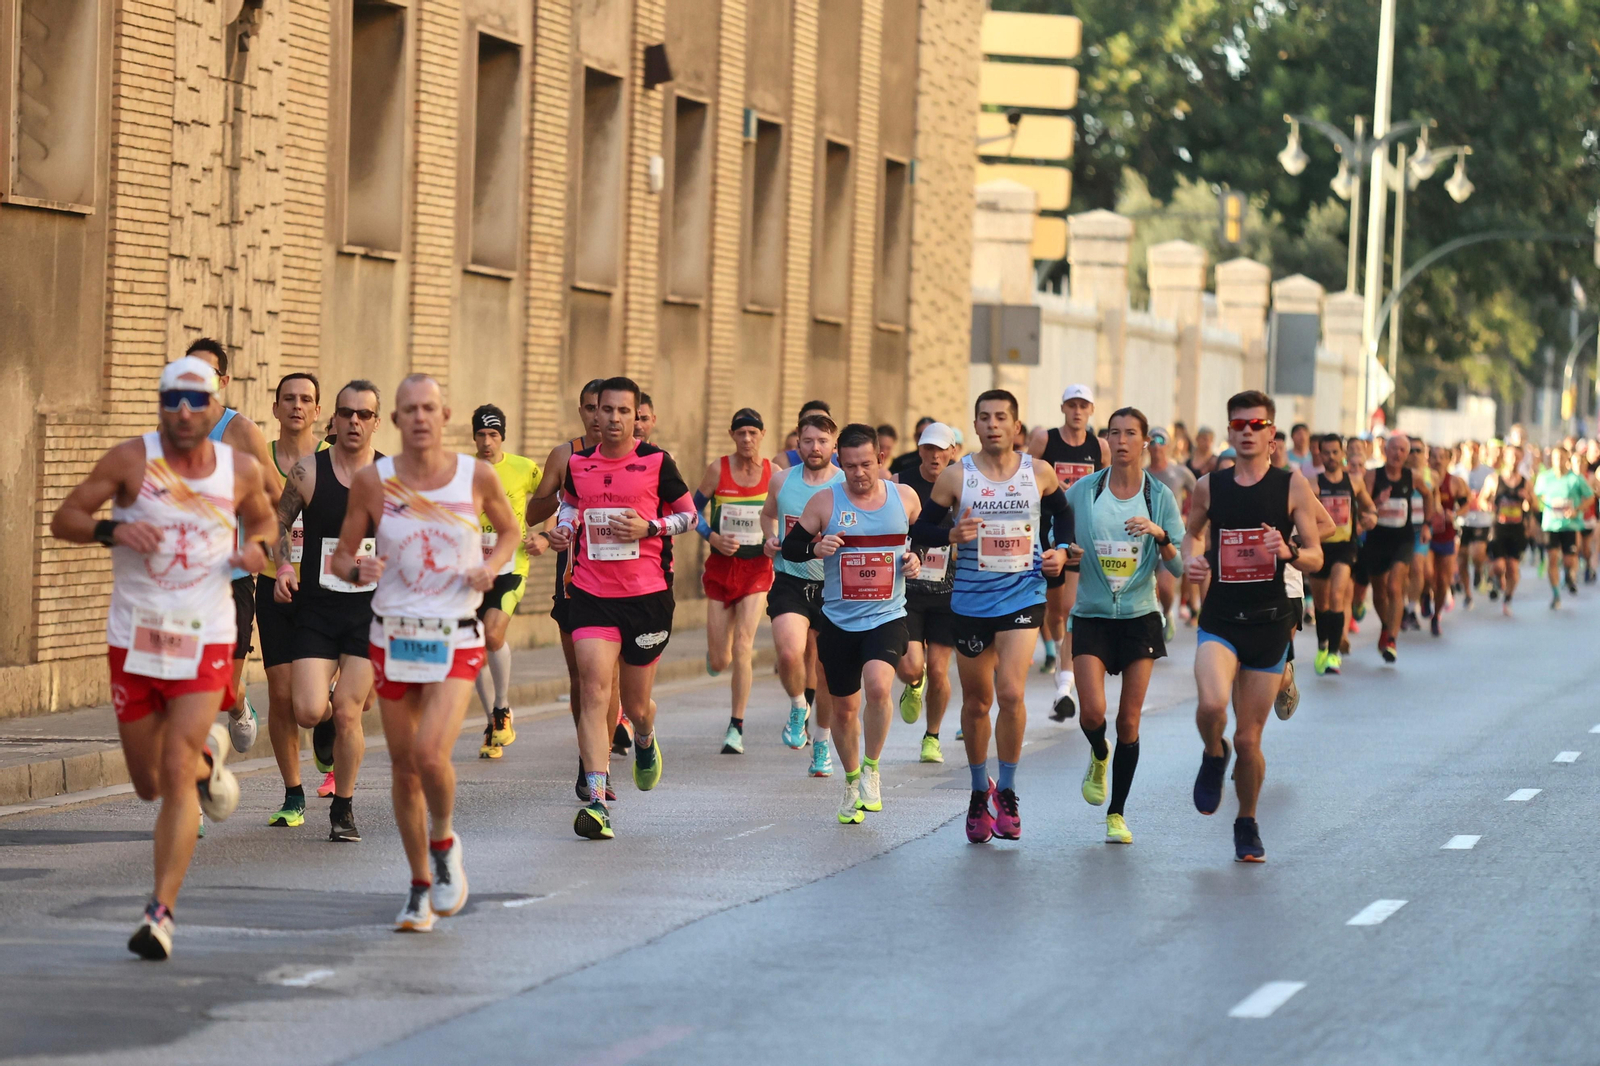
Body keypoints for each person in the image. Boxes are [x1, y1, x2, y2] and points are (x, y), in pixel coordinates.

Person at [50, 355, 274, 958]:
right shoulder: (131, 459)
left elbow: (264, 519)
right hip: (136, 637)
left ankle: (160, 914)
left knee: (171, 771)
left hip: (204, 636)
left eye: (194, 401)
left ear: (214, 407)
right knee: (149, 783)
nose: (181, 411)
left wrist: (255, 548)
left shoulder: (240, 469)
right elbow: (65, 516)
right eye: (171, 399)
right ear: (160, 403)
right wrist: (112, 531)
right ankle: (207, 762)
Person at [333, 374, 517, 931]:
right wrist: (358, 568)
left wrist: (490, 567)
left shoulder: (474, 475)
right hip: (392, 634)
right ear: (395, 420)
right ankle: (418, 886)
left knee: (432, 755)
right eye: (408, 409)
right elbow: (341, 558)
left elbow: (508, 531)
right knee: (405, 768)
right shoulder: (373, 481)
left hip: (456, 634)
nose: (419, 418)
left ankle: (443, 841)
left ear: (445, 415)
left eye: (429, 408)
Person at [547, 377, 698, 841]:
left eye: (621, 411)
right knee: (594, 689)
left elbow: (691, 516)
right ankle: (596, 799)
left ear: (637, 417)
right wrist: (563, 530)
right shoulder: (577, 464)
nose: (610, 419)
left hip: (646, 597)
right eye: (603, 410)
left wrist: (649, 526)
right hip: (592, 592)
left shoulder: (657, 462)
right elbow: (571, 507)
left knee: (634, 704)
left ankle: (647, 737)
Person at [918, 391, 1069, 843]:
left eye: (1001, 417)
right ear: (976, 425)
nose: (992, 425)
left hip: (1023, 596)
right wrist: (950, 533)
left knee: (1011, 692)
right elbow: (921, 531)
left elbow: (1066, 517)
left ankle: (1007, 789)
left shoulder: (1037, 473)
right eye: (984, 418)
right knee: (978, 702)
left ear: (1016, 426)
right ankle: (977, 792)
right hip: (969, 603)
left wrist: (1060, 551)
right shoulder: (955, 476)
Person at [1182, 391, 1323, 863]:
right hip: (1220, 618)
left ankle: (1246, 821)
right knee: (1210, 704)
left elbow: (1317, 556)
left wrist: (1289, 553)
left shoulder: (1292, 485)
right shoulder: (1209, 486)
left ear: (1270, 433)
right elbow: (1192, 534)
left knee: (1249, 738)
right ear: (1228, 431)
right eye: (1238, 424)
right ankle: (1211, 753)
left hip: (1270, 622)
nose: (1246, 430)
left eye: (1255, 424)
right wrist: (1190, 562)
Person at [782, 424, 922, 824]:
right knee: (844, 711)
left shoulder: (904, 498)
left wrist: (914, 559)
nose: (859, 474)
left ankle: (873, 768)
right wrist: (815, 546)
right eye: (850, 466)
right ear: (840, 464)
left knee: (878, 687)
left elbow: (924, 538)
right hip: (840, 620)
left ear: (881, 458)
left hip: (887, 615)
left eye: (866, 464)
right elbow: (792, 546)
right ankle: (851, 780)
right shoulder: (825, 502)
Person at [1064, 408, 1184, 844]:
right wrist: (1063, 551)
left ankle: (1116, 813)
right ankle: (1098, 753)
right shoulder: (1084, 491)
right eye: (1113, 433)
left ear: (1144, 442)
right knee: (1093, 712)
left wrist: (1159, 534)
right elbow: (1058, 528)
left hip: (1140, 619)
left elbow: (1179, 565)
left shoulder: (1160, 497)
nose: (1121, 440)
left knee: (1128, 721)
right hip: (1092, 615)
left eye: (1130, 433)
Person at [274, 381, 384, 842]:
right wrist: (281, 563)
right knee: (306, 709)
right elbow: (278, 521)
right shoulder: (308, 471)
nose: (354, 421)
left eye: (364, 414)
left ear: (376, 422)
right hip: (317, 610)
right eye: (346, 414)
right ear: (333, 421)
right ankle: (325, 713)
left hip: (369, 615)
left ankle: (344, 808)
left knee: (348, 713)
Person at [525, 381, 621, 801]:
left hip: (621, 578)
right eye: (589, 409)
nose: (598, 417)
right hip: (573, 575)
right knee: (582, 676)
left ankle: (604, 761)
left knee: (610, 678)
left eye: (604, 409)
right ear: (582, 412)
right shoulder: (565, 455)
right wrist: (564, 492)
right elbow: (533, 511)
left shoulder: (637, 458)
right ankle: (590, 763)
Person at [183, 338, 275, 756]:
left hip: (232, 577)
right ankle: (193, 801)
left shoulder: (240, 431)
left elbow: (277, 494)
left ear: (222, 380)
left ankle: (237, 704)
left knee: (220, 689)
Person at [260, 373, 328, 826]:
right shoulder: (257, 457)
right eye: (289, 399)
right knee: (281, 695)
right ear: (276, 406)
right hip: (274, 583)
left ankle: (328, 715)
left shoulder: (335, 461)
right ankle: (293, 794)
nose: (297, 406)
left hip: (327, 589)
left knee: (324, 703)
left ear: (318, 410)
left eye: (306, 399)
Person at [761, 412, 844, 776]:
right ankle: (798, 706)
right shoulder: (781, 481)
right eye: (808, 441)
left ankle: (822, 743)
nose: (815, 448)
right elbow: (767, 515)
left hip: (834, 587)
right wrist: (770, 537)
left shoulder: (845, 483)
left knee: (826, 672)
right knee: (790, 652)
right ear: (798, 442)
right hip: (790, 579)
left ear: (834, 445)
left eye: (823, 441)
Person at [1027, 384, 1109, 717]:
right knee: (1056, 611)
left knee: (1072, 608)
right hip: (1047, 527)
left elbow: (1105, 486)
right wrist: (1055, 488)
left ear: (1091, 411)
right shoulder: (1045, 440)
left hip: (1079, 532)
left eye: (1083, 406)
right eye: (1072, 405)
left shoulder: (1098, 445)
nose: (1077, 411)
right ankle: (1058, 653)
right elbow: (1026, 478)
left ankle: (1065, 683)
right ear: (1063, 408)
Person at [695, 409, 774, 754]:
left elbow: (786, 514)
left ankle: (735, 727)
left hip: (757, 569)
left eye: (752, 433)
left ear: (762, 435)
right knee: (721, 658)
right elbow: (690, 511)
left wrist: (777, 540)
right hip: (720, 568)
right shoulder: (718, 469)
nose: (747, 439)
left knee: (743, 645)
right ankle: (719, 656)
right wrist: (712, 537)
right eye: (740, 433)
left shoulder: (774, 474)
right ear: (732, 435)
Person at [468, 405, 543, 759]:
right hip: (472, 569)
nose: (487, 442)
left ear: (503, 437)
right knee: (474, 646)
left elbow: (554, 498)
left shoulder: (523, 468)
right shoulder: (462, 471)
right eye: (481, 435)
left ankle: (502, 707)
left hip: (512, 566)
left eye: (493, 435)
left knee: (493, 634)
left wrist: (545, 534)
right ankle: (493, 723)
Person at [893, 421, 959, 763]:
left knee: (938, 669)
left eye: (940, 449)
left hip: (948, 591)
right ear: (919, 450)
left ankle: (932, 736)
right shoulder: (901, 481)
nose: (934, 456)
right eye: (928, 449)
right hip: (909, 589)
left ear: (952, 452)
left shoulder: (962, 481)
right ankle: (912, 686)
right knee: (911, 668)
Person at [1362, 433, 1433, 663]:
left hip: (1402, 539)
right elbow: (1360, 504)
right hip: (1376, 540)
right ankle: (1386, 625)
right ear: (1385, 450)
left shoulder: (1412, 477)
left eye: (1403, 450)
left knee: (1394, 586)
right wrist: (1376, 503)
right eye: (1394, 449)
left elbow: (1429, 494)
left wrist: (1427, 525)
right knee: (1379, 592)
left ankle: (1391, 639)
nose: (1398, 454)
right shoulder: (1373, 475)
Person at [1309, 434, 1376, 675]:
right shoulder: (1313, 484)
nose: (1331, 457)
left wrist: (1371, 518)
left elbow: (1369, 506)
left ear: (1342, 454)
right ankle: (1322, 645)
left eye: (1335, 452)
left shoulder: (1354, 482)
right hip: (1319, 547)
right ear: (1320, 454)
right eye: (1326, 452)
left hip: (1345, 547)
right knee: (1321, 603)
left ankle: (1334, 654)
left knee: (1337, 595)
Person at [1145, 425, 1196, 639]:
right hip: (1145, 538)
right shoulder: (1141, 474)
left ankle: (1167, 613)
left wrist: (1191, 519)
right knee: (1148, 589)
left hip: (1171, 538)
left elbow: (1200, 495)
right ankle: (1157, 618)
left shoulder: (1179, 472)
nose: (1157, 447)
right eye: (1152, 442)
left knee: (1166, 587)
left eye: (1161, 441)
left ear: (1168, 446)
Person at [1533, 446, 1594, 608]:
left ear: (1567, 459)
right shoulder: (1545, 478)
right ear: (1551, 460)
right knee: (1552, 558)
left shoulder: (1576, 479)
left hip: (1570, 525)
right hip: (1551, 525)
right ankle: (1555, 594)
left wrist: (1576, 510)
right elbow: (1537, 496)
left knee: (1569, 560)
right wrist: (1545, 505)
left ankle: (1568, 574)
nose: (1558, 461)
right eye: (1555, 458)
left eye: (1562, 458)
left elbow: (1590, 498)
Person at [1482, 445, 1531, 615]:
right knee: (1499, 566)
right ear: (1505, 458)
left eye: (1517, 457)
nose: (1514, 460)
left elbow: (1534, 506)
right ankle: (1495, 578)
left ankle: (1508, 599)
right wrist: (1487, 504)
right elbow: (1482, 499)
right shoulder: (1494, 479)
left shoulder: (1525, 482)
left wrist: (1528, 499)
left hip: (1517, 529)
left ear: (1521, 459)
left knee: (1513, 568)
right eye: (1511, 456)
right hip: (1499, 528)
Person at [1426, 446, 1468, 635]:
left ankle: (1436, 615)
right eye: (1434, 457)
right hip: (1426, 534)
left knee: (1443, 580)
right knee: (1426, 572)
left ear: (1448, 460)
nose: (1437, 461)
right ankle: (1424, 594)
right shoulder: (1422, 478)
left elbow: (1468, 502)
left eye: (1441, 457)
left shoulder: (1455, 482)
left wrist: (1456, 514)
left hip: (1446, 535)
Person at [1457, 439, 1495, 606]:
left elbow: (1494, 494)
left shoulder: (1488, 472)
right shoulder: (1456, 472)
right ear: (1462, 450)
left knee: (1478, 554)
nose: (1472, 452)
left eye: (1475, 449)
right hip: (1461, 521)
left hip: (1481, 520)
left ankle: (1479, 569)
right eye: (1468, 449)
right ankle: (1467, 593)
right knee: (1462, 559)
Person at [775, 400, 836, 469]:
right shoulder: (782, 462)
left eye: (821, 423)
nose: (815, 448)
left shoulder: (842, 462)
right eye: (809, 422)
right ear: (798, 431)